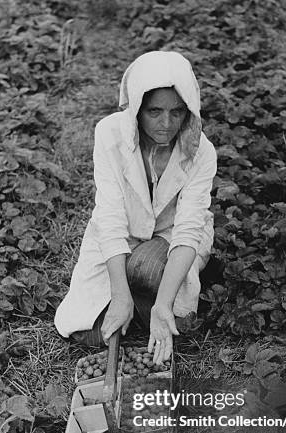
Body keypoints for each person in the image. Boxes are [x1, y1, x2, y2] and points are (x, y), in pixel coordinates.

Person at [54, 50, 217, 365]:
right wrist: (119, 294)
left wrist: (163, 306)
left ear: (189, 111)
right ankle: (135, 296)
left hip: (171, 237)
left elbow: (187, 230)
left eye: (177, 112)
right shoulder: (110, 135)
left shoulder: (201, 152)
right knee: (88, 333)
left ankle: (153, 298)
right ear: (137, 107)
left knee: (147, 273)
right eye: (155, 111)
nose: (166, 124)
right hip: (123, 234)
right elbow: (110, 217)